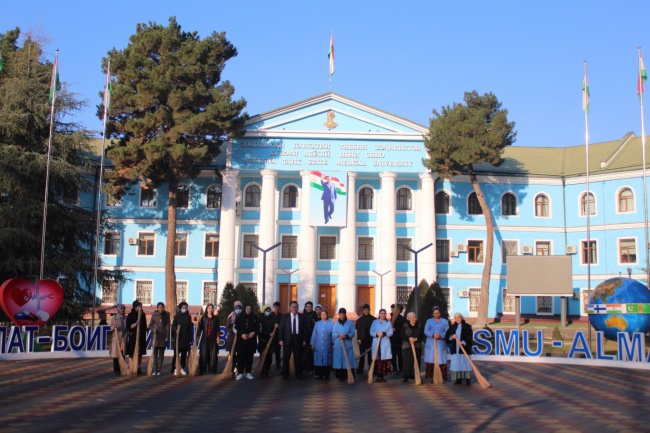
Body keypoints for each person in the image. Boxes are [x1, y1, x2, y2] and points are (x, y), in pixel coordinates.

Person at [278, 301, 308, 380]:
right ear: (290, 308)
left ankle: (299, 374)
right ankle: (285, 374)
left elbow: (305, 329)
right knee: (286, 357)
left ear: (298, 308)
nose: (294, 309)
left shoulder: (302, 317)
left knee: (298, 357)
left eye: (296, 307)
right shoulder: (285, 317)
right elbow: (281, 329)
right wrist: (280, 339)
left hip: (298, 339)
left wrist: (305, 340)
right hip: (287, 339)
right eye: (293, 307)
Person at [424, 306, 450, 382]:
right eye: (435, 313)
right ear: (432, 314)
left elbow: (447, 331)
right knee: (432, 359)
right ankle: (432, 377)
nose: (436, 315)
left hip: (440, 343)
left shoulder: (444, 321)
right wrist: (432, 334)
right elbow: (426, 331)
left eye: (438, 313)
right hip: (431, 343)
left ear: (440, 313)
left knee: (440, 360)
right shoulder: (429, 321)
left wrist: (441, 335)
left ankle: (441, 377)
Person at [447, 312, 473, 385]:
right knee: (457, 363)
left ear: (461, 317)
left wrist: (463, 342)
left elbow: (469, 336)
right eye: (456, 318)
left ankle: (467, 379)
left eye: (459, 317)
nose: (457, 319)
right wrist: (452, 337)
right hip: (456, 349)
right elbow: (448, 337)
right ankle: (458, 379)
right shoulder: (452, 327)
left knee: (465, 363)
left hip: (464, 348)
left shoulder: (467, 326)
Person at [234, 304, 259, 380]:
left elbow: (259, 328)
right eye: (247, 308)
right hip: (241, 341)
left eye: (250, 308)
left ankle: (248, 372)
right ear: (244, 309)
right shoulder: (239, 318)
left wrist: (254, 332)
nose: (248, 310)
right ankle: (240, 373)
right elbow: (235, 328)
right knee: (240, 357)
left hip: (251, 341)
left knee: (249, 357)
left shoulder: (255, 318)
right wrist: (241, 334)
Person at [331, 307, 356, 381]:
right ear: (339, 315)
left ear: (345, 315)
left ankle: (349, 376)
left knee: (348, 360)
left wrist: (345, 336)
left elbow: (352, 333)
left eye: (343, 314)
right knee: (339, 360)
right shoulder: (336, 323)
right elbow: (333, 333)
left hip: (347, 344)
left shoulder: (350, 323)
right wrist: (339, 335)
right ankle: (340, 377)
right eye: (340, 314)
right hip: (339, 344)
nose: (342, 316)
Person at [369, 309, 393, 383]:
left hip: (384, 343)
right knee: (377, 359)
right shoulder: (374, 322)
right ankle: (377, 375)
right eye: (381, 313)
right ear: (379, 314)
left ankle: (382, 376)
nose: (383, 315)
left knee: (383, 359)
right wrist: (377, 334)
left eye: (384, 313)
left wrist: (384, 333)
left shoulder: (388, 323)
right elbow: (371, 331)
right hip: (377, 342)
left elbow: (391, 332)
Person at [197, 303, 220, 375]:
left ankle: (213, 369)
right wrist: (198, 322)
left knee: (213, 354)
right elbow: (200, 328)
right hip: (205, 339)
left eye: (212, 308)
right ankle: (202, 369)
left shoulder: (215, 318)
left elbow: (217, 329)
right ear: (207, 309)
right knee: (203, 354)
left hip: (213, 339)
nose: (210, 309)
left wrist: (218, 337)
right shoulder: (203, 318)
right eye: (209, 308)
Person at [148, 302, 170, 376]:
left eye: (162, 307)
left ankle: (159, 369)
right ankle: (154, 369)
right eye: (159, 307)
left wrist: (167, 336)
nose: (161, 309)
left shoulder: (166, 315)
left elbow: (168, 327)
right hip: (155, 337)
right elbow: (150, 325)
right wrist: (153, 329)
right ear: (157, 308)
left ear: (164, 308)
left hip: (163, 337)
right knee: (155, 354)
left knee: (161, 355)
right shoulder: (154, 315)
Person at [310, 310, 334, 380]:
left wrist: (333, 343)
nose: (323, 316)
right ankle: (319, 374)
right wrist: (312, 344)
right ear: (320, 316)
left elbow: (333, 334)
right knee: (318, 359)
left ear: (327, 315)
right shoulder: (317, 324)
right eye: (322, 314)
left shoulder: (331, 323)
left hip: (327, 344)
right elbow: (314, 334)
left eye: (325, 314)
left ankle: (326, 375)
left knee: (327, 359)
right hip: (318, 345)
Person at [171, 301, 193, 376]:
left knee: (184, 355)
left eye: (186, 308)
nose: (185, 309)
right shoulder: (177, 316)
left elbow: (190, 327)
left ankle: (182, 368)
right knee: (176, 354)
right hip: (178, 338)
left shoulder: (188, 317)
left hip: (185, 338)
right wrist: (176, 329)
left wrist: (190, 337)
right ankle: (175, 368)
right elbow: (173, 326)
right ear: (180, 308)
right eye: (183, 308)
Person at [126, 300, 147, 375]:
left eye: (141, 306)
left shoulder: (143, 315)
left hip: (141, 336)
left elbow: (145, 326)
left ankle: (138, 367)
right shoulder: (130, 315)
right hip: (133, 336)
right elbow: (129, 326)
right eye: (139, 306)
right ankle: (132, 366)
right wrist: (136, 323)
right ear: (135, 307)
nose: (140, 308)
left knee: (140, 353)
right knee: (132, 352)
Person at [401, 312, 422, 384]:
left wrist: (416, 339)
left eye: (415, 317)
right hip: (407, 346)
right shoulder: (405, 325)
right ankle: (406, 376)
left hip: (417, 346)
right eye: (413, 317)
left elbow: (421, 335)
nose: (414, 319)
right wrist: (409, 339)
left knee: (417, 360)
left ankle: (416, 375)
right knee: (407, 362)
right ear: (409, 318)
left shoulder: (419, 325)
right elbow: (402, 335)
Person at [355, 304, 375, 375]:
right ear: (363, 311)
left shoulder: (373, 319)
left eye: (367, 310)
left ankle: (371, 368)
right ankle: (360, 369)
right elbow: (358, 329)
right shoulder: (360, 319)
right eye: (364, 310)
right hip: (362, 340)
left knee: (370, 355)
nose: (366, 311)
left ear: (369, 310)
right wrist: (358, 338)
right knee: (362, 355)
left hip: (371, 340)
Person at [225, 300, 243, 377]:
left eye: (239, 308)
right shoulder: (231, 316)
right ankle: (232, 369)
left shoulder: (243, 316)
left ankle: (239, 369)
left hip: (240, 338)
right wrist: (233, 331)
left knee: (239, 354)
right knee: (232, 355)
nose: (238, 309)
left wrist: (239, 332)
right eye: (236, 308)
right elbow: (227, 327)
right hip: (232, 338)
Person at [258, 305, 276, 378]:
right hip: (263, 341)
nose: (268, 312)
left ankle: (267, 370)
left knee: (269, 357)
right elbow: (260, 330)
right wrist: (268, 334)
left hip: (270, 341)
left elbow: (273, 327)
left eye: (269, 311)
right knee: (263, 357)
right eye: (266, 311)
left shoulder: (272, 318)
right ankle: (262, 371)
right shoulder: (260, 319)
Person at [109, 304, 127, 375]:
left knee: (123, 353)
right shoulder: (115, 318)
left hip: (123, 337)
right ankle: (116, 368)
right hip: (116, 338)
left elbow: (127, 327)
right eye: (121, 309)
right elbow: (111, 327)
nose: (122, 310)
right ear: (118, 309)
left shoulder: (126, 318)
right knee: (116, 354)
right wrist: (114, 327)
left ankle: (122, 366)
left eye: (123, 309)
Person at [302, 301, 318, 373]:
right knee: (305, 352)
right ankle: (304, 367)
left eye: (310, 307)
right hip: (304, 337)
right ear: (305, 308)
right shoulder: (302, 315)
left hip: (313, 336)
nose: (309, 308)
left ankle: (312, 367)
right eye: (307, 307)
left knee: (312, 352)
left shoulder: (314, 315)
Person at [390, 304, 405, 374]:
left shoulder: (402, 319)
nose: (392, 310)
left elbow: (403, 329)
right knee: (392, 354)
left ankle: (401, 368)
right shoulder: (392, 317)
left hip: (398, 339)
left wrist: (396, 329)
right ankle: (394, 367)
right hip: (392, 338)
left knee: (399, 354)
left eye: (394, 309)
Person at [271, 301, 283, 370]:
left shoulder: (281, 315)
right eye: (275, 307)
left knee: (278, 351)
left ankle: (278, 364)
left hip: (278, 335)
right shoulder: (270, 315)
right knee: (271, 351)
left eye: (278, 307)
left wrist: (279, 326)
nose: (277, 309)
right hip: (271, 335)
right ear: (273, 307)